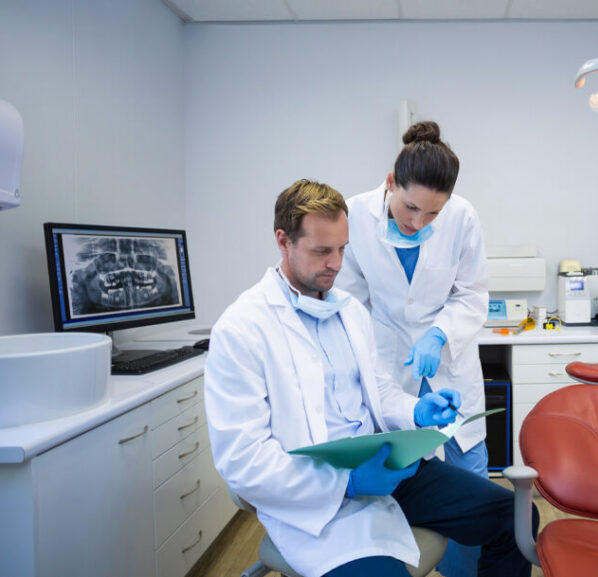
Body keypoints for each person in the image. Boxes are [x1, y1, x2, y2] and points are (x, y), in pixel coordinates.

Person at [204, 179, 534, 577]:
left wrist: (416, 411)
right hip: (316, 495)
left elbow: (376, 389)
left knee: (514, 517)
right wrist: (349, 483)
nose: (336, 264)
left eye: (343, 249)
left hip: (388, 469)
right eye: (322, 251)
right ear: (283, 240)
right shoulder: (242, 329)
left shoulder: (348, 311)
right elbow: (243, 461)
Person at [335, 122, 489, 577]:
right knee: (400, 493)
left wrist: (440, 334)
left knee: (471, 496)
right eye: (410, 207)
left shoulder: (462, 216)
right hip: (387, 367)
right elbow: (347, 300)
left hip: (450, 368)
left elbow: (472, 294)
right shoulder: (354, 214)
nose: (419, 222)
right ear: (390, 183)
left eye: (432, 214)